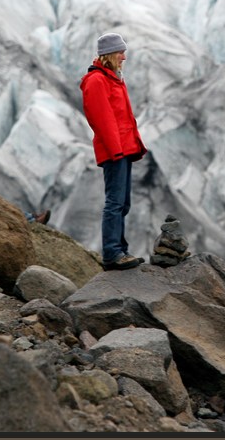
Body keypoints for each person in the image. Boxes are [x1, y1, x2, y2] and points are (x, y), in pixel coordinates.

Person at [79, 32, 148, 270]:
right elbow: (102, 119)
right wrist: (117, 150)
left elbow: (122, 117)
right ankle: (112, 253)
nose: (124, 57)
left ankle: (120, 249)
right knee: (115, 202)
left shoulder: (113, 78)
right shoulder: (97, 81)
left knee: (123, 202)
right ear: (109, 54)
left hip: (123, 148)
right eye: (120, 52)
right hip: (114, 150)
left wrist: (132, 145)